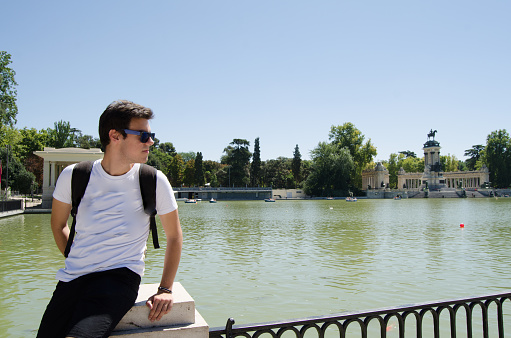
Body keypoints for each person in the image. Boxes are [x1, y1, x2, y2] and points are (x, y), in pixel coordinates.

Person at [37, 100, 183, 338]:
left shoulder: (154, 180)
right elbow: (58, 225)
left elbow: (175, 237)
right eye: (143, 135)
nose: (151, 141)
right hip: (72, 278)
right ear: (115, 135)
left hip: (120, 277)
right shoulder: (73, 175)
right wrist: (76, 257)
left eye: (151, 134)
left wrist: (165, 288)